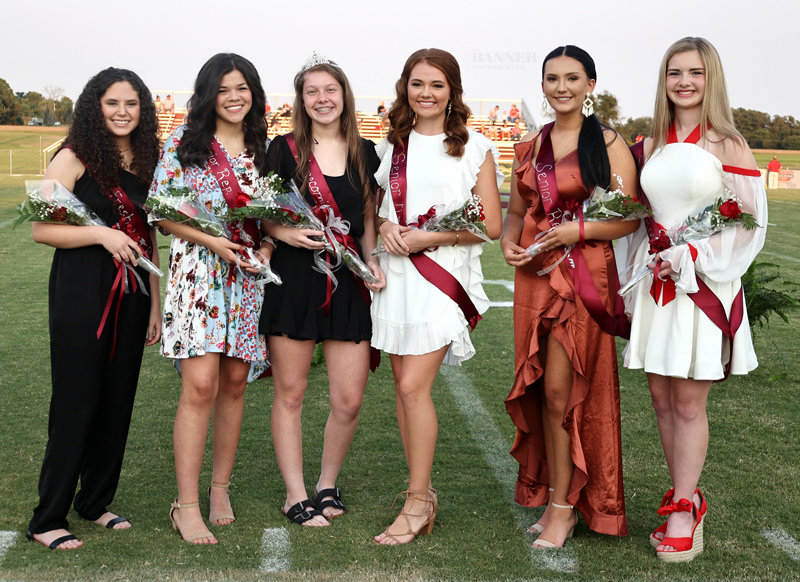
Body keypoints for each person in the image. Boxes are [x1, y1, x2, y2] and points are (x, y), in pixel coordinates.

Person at [622, 37, 767, 562]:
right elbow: (644, 215)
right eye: (674, 72)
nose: (684, 82)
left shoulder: (728, 142)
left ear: (712, 80)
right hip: (659, 284)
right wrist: (648, 254)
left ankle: (685, 507)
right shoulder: (652, 141)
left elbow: (747, 226)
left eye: (695, 73)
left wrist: (691, 255)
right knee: (661, 398)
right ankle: (679, 493)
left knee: (688, 401)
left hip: (702, 285)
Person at [501, 45, 638, 549]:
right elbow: (516, 212)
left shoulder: (607, 143)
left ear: (591, 85)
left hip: (581, 278)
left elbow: (628, 218)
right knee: (541, 391)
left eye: (572, 78)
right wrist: (508, 241)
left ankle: (565, 507)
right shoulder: (529, 145)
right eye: (552, 78)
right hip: (535, 276)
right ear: (542, 85)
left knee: (564, 390)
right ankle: (560, 496)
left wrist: (573, 232)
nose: (561, 87)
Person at [371, 48, 503, 545]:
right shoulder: (392, 146)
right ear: (406, 87)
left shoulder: (475, 147)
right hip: (396, 279)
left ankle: (415, 501)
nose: (425, 93)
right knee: (403, 392)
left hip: (440, 279)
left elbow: (489, 224)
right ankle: (420, 494)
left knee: (412, 390)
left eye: (437, 85)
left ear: (453, 92)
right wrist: (385, 225)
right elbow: (381, 209)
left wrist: (430, 238)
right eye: (417, 84)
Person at [27, 68, 161, 550]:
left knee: (117, 400)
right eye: (112, 103)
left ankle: (94, 501)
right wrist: (102, 234)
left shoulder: (148, 159)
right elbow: (44, 230)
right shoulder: (73, 157)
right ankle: (48, 517)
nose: (123, 112)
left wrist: (155, 305)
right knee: (77, 399)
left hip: (135, 292)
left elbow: (148, 239)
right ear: (94, 107)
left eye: (131, 103)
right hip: (83, 289)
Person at [148, 53, 270, 545]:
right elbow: (159, 210)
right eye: (223, 89)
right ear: (208, 94)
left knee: (236, 382)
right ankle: (187, 503)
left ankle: (220, 488)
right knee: (200, 385)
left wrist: (263, 247)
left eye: (242, 87)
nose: (234, 97)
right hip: (198, 273)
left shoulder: (265, 147)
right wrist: (213, 242)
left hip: (245, 277)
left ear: (254, 92)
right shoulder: (185, 141)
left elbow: (276, 217)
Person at [259, 53, 385, 527]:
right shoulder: (283, 149)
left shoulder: (366, 152)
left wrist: (371, 262)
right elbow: (264, 213)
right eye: (312, 91)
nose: (321, 99)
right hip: (295, 281)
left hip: (347, 281)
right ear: (302, 100)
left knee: (349, 399)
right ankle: (295, 494)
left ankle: (326, 483)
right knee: (290, 393)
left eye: (329, 90)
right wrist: (286, 233)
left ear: (344, 95)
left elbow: (369, 220)